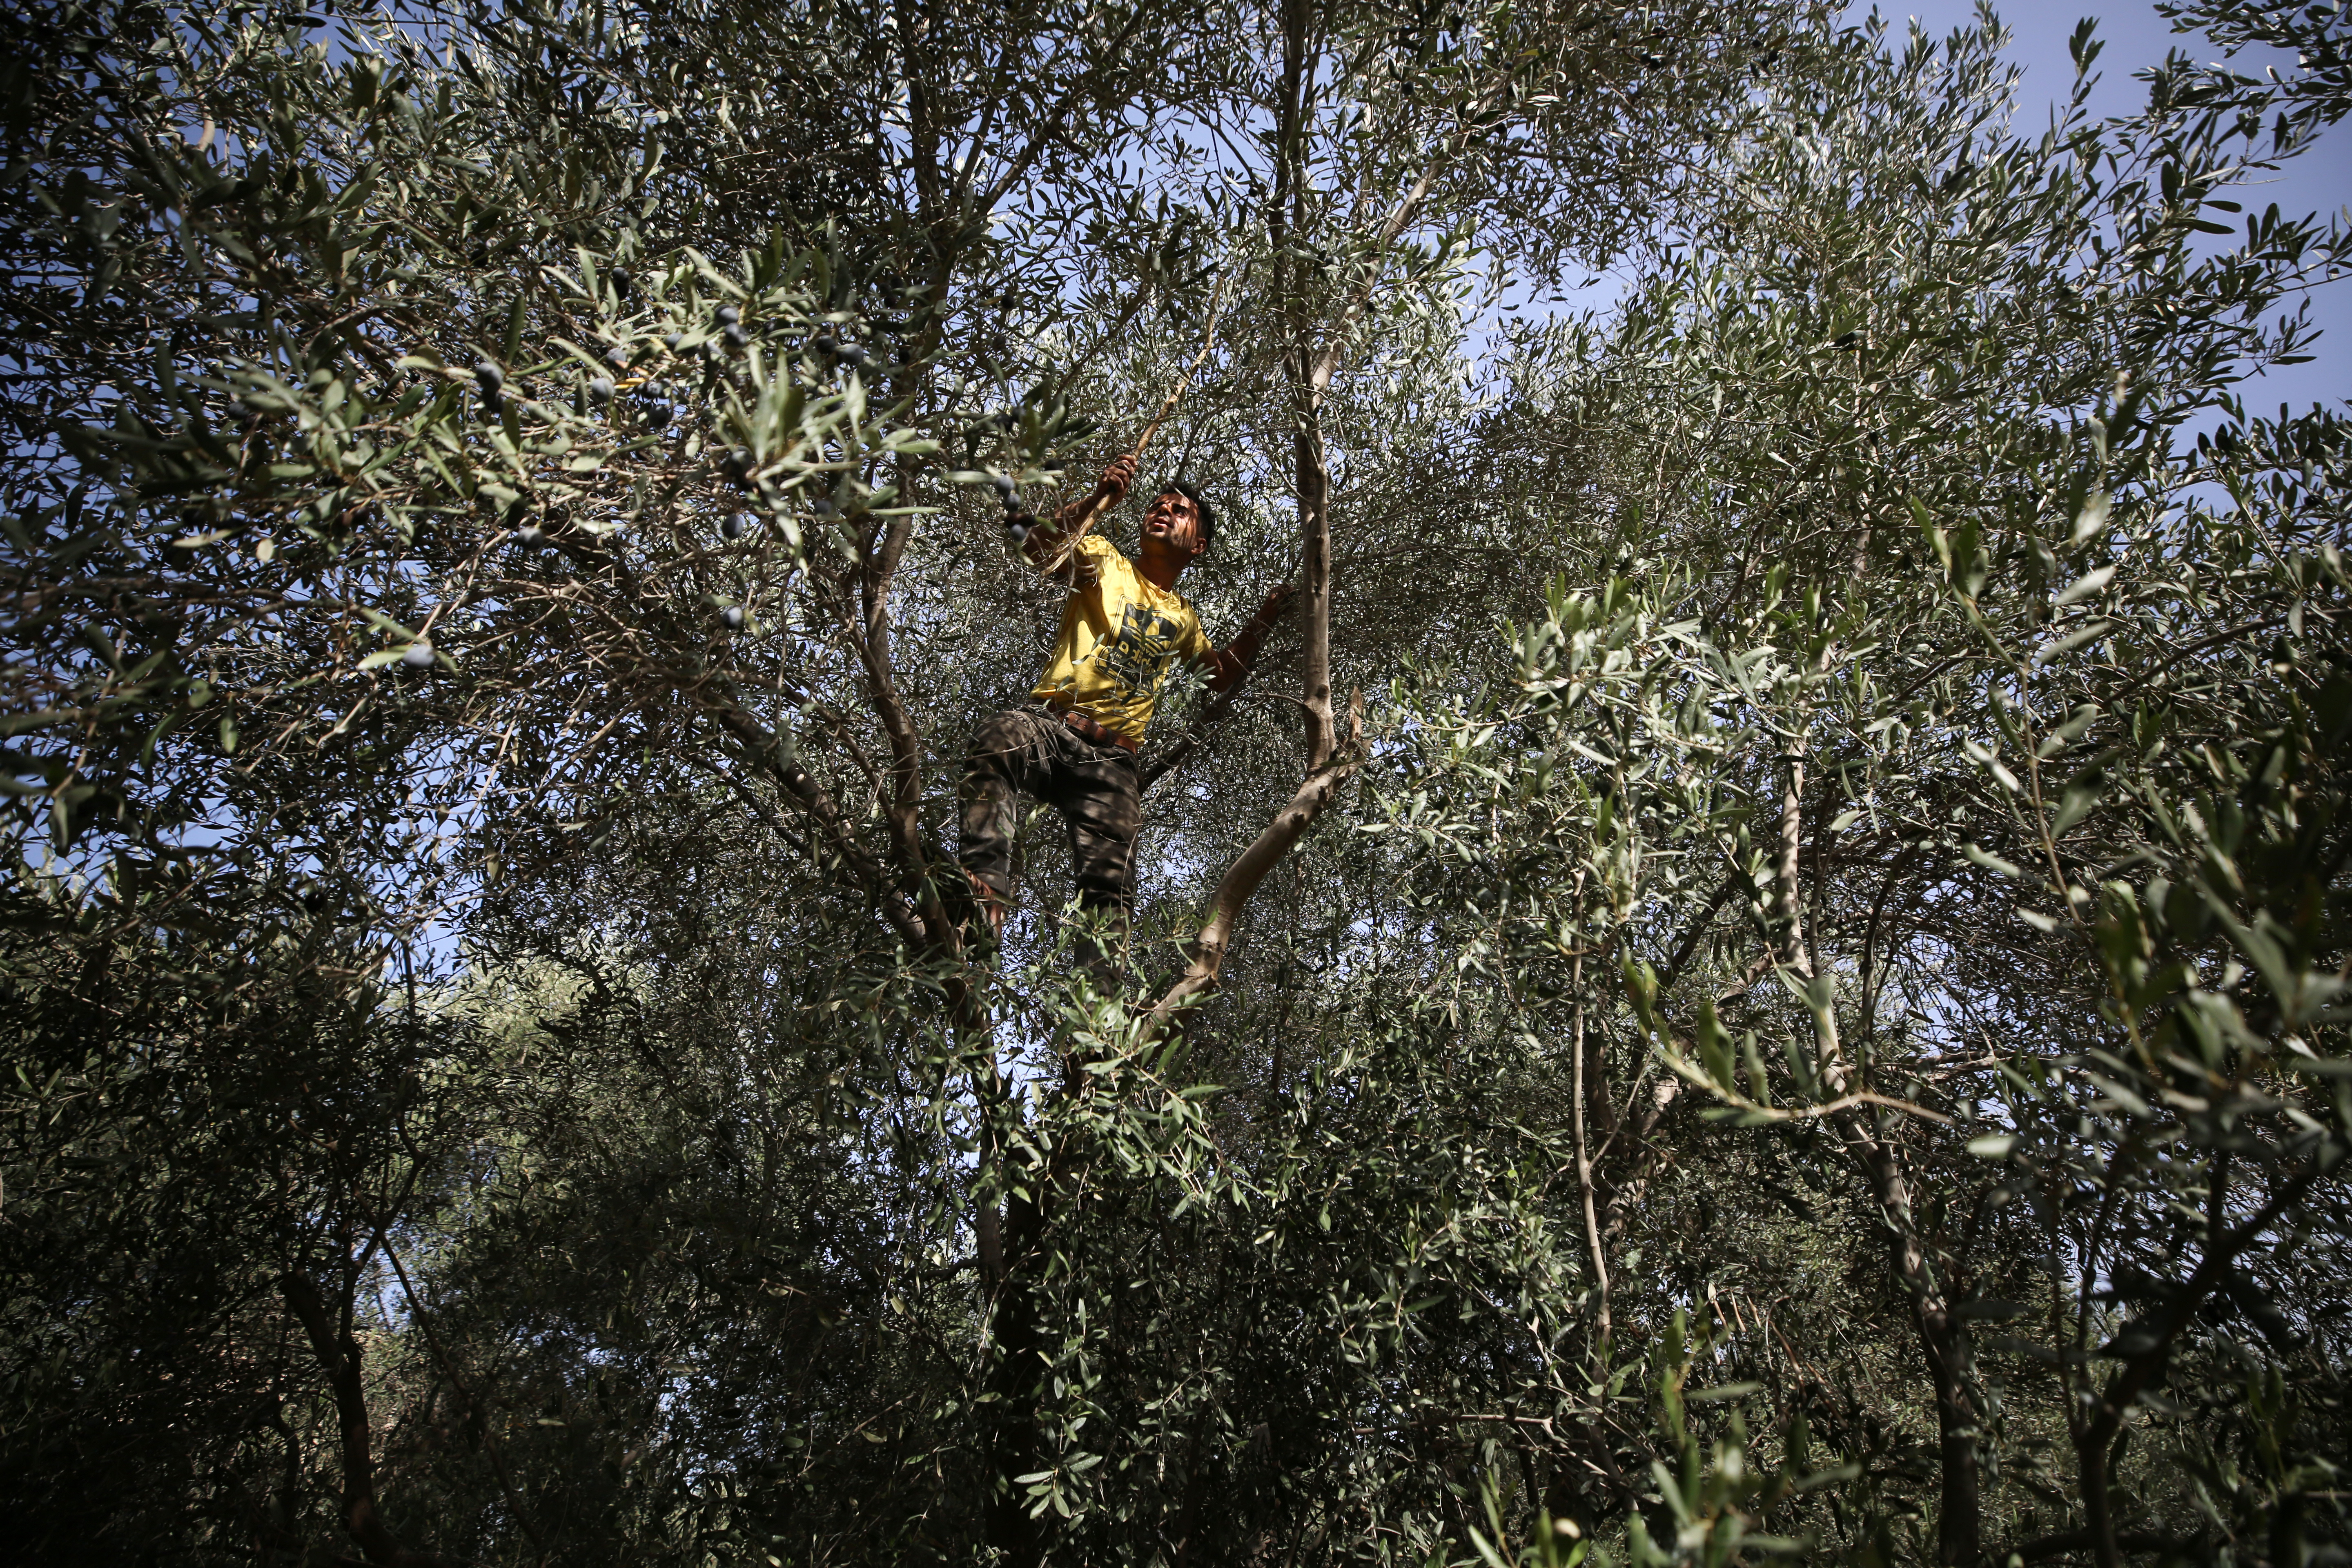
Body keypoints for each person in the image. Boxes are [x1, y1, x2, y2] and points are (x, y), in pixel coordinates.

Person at [960, 452, 1295, 979]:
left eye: (1179, 510)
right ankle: (982, 901)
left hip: (1112, 763)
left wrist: (1267, 617)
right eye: (1157, 505)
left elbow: (1219, 676)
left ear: (1198, 544)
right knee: (999, 739)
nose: (1163, 510)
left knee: (1110, 893)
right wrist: (1099, 498)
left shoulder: (1184, 618)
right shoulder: (1104, 558)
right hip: (1051, 727)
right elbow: (1035, 542)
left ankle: (1095, 1030)